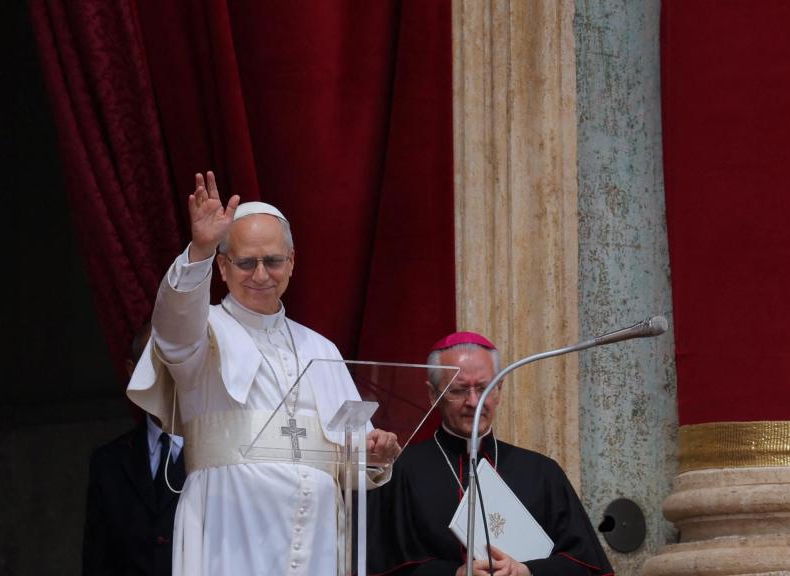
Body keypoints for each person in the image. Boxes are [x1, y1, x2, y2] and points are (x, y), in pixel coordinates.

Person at [126, 171, 401, 576]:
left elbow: (350, 459)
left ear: (291, 262)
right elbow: (172, 329)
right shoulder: (203, 332)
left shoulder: (321, 349)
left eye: (272, 261)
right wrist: (198, 250)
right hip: (230, 527)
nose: (260, 275)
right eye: (245, 262)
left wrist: (374, 455)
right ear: (222, 266)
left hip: (318, 539)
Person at [368, 332, 613, 576]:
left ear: (499, 388)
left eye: (484, 388)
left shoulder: (542, 472)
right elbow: (380, 567)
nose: (474, 402)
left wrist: (526, 571)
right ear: (433, 394)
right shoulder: (402, 473)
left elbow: (584, 565)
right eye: (459, 390)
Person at [82, 322, 187, 576]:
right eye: (155, 362)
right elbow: (97, 562)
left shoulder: (218, 453)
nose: (167, 375)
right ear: (133, 371)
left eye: (176, 362)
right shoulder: (108, 463)